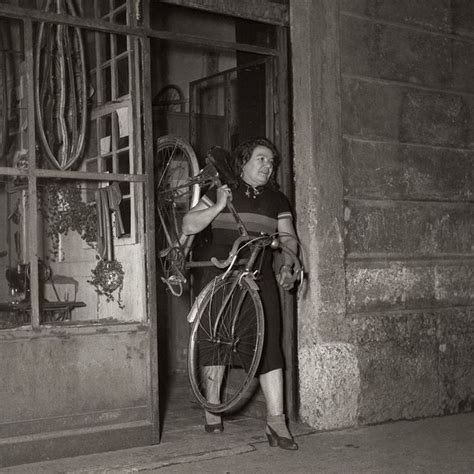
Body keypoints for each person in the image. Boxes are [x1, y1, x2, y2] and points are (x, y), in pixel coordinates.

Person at [182, 137, 300, 451]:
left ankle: (277, 422)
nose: (267, 165)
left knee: (269, 347)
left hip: (259, 281)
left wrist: (289, 263)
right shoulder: (222, 191)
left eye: (271, 162)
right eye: (261, 159)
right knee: (215, 342)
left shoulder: (278, 200)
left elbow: (288, 237)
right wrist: (219, 205)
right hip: (221, 277)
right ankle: (212, 407)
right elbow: (190, 224)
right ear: (244, 162)